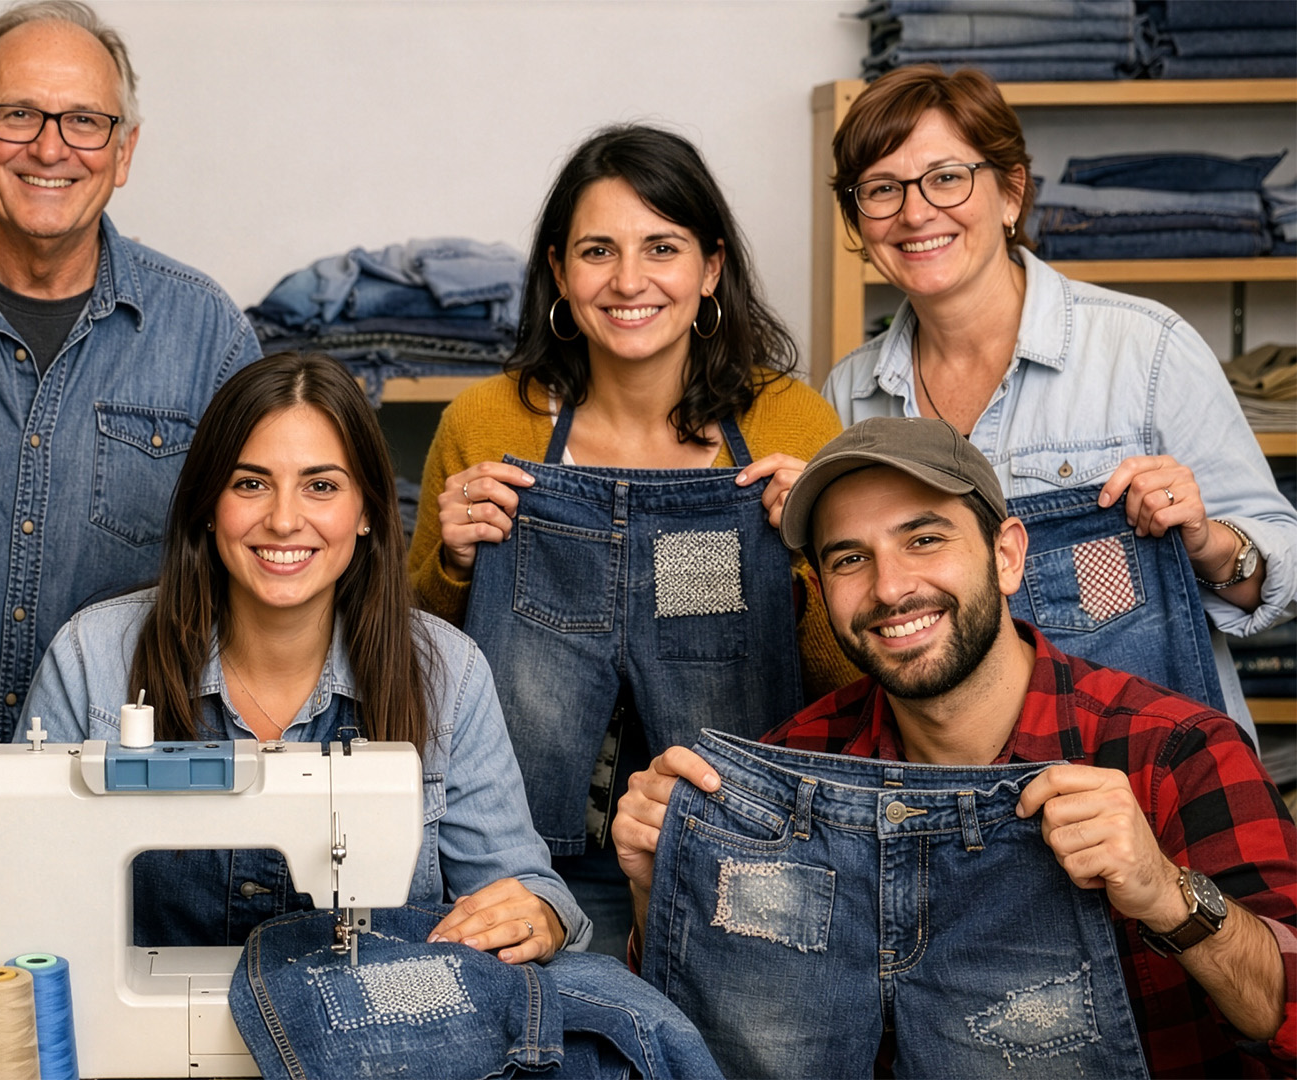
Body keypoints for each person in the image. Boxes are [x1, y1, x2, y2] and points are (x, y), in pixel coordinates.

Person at [613, 418, 1297, 1076]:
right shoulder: (790, 768)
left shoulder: (1171, 752)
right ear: (821, 593)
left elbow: (1287, 1013)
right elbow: (716, 1037)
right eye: (851, 558)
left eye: (923, 540)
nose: (890, 587)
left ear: (1007, 556)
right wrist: (658, 887)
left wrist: (1170, 896)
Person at [407, 124, 855, 956]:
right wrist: (453, 563)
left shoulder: (789, 423)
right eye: (597, 251)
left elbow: (849, 686)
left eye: (662, 247)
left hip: (740, 862)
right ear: (558, 272)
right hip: (522, 871)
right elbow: (405, 662)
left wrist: (819, 558)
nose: (628, 280)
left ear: (710, 267)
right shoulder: (485, 423)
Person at [23, 352, 591, 961]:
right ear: (209, 506)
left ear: (368, 510)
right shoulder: (93, 660)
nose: (285, 519)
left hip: (375, 1044)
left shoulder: (447, 675)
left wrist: (539, 917)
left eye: (320, 486)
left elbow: (521, 888)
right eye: (250, 484)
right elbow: (24, 891)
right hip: (130, 1055)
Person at [822, 64, 1296, 734]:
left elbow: (1278, 571)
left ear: (1012, 191)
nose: (916, 212)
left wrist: (1209, 541)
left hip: (1151, 775)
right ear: (858, 220)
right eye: (881, 189)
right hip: (959, 796)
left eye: (947, 178)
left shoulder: (1145, 349)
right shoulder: (848, 393)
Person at [0, 0, 257, 743]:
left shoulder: (209, 334)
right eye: (18, 114)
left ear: (125, 149)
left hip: (116, 780)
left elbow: (261, 568)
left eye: (84, 121)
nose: (51, 149)